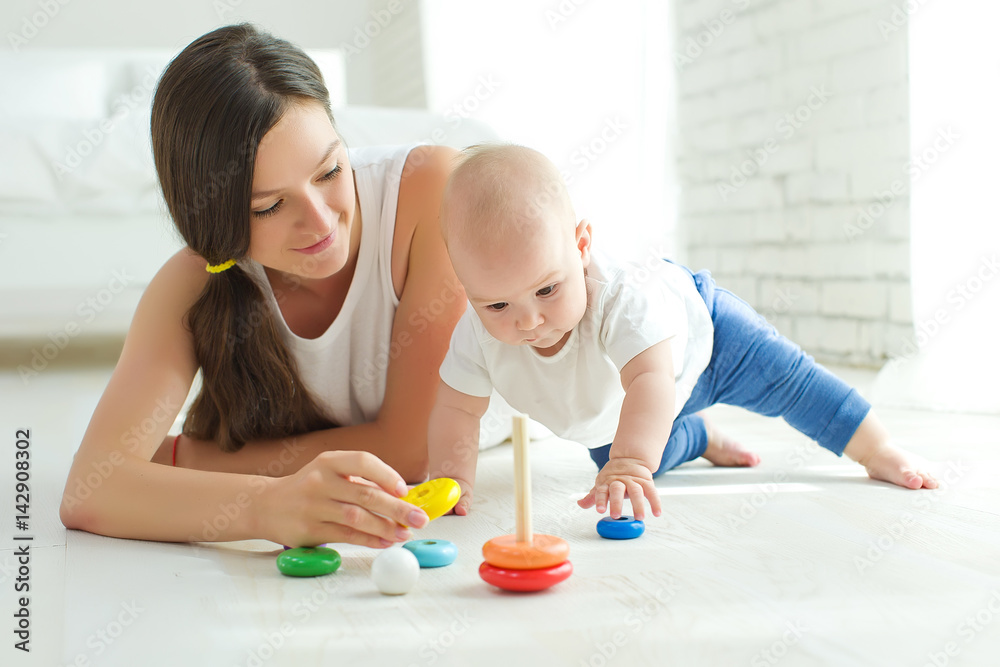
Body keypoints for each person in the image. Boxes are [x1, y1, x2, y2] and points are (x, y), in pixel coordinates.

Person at [59, 24, 467, 548]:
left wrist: (187, 459)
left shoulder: (429, 192)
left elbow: (417, 448)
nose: (319, 222)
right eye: (269, 206)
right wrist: (264, 508)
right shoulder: (194, 281)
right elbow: (89, 491)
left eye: (329, 171)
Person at [427, 144, 939, 520]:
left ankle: (877, 447)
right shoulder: (477, 335)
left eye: (547, 291)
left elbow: (650, 379)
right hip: (618, 415)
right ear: (464, 284)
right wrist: (451, 478)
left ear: (581, 246)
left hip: (704, 341)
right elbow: (456, 408)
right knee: (627, 456)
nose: (527, 322)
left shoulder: (618, 299)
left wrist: (631, 461)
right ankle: (698, 436)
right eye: (496, 304)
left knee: (791, 381)